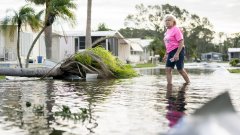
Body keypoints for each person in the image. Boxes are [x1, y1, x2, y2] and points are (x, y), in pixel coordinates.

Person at [163, 14, 190, 85]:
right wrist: (166, 54)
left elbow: (181, 41)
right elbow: (168, 44)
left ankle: (188, 83)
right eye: (166, 20)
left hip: (178, 50)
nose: (167, 21)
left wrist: (177, 54)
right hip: (170, 52)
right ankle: (169, 85)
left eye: (169, 20)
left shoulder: (176, 29)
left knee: (180, 69)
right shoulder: (167, 31)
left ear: (173, 22)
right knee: (168, 69)